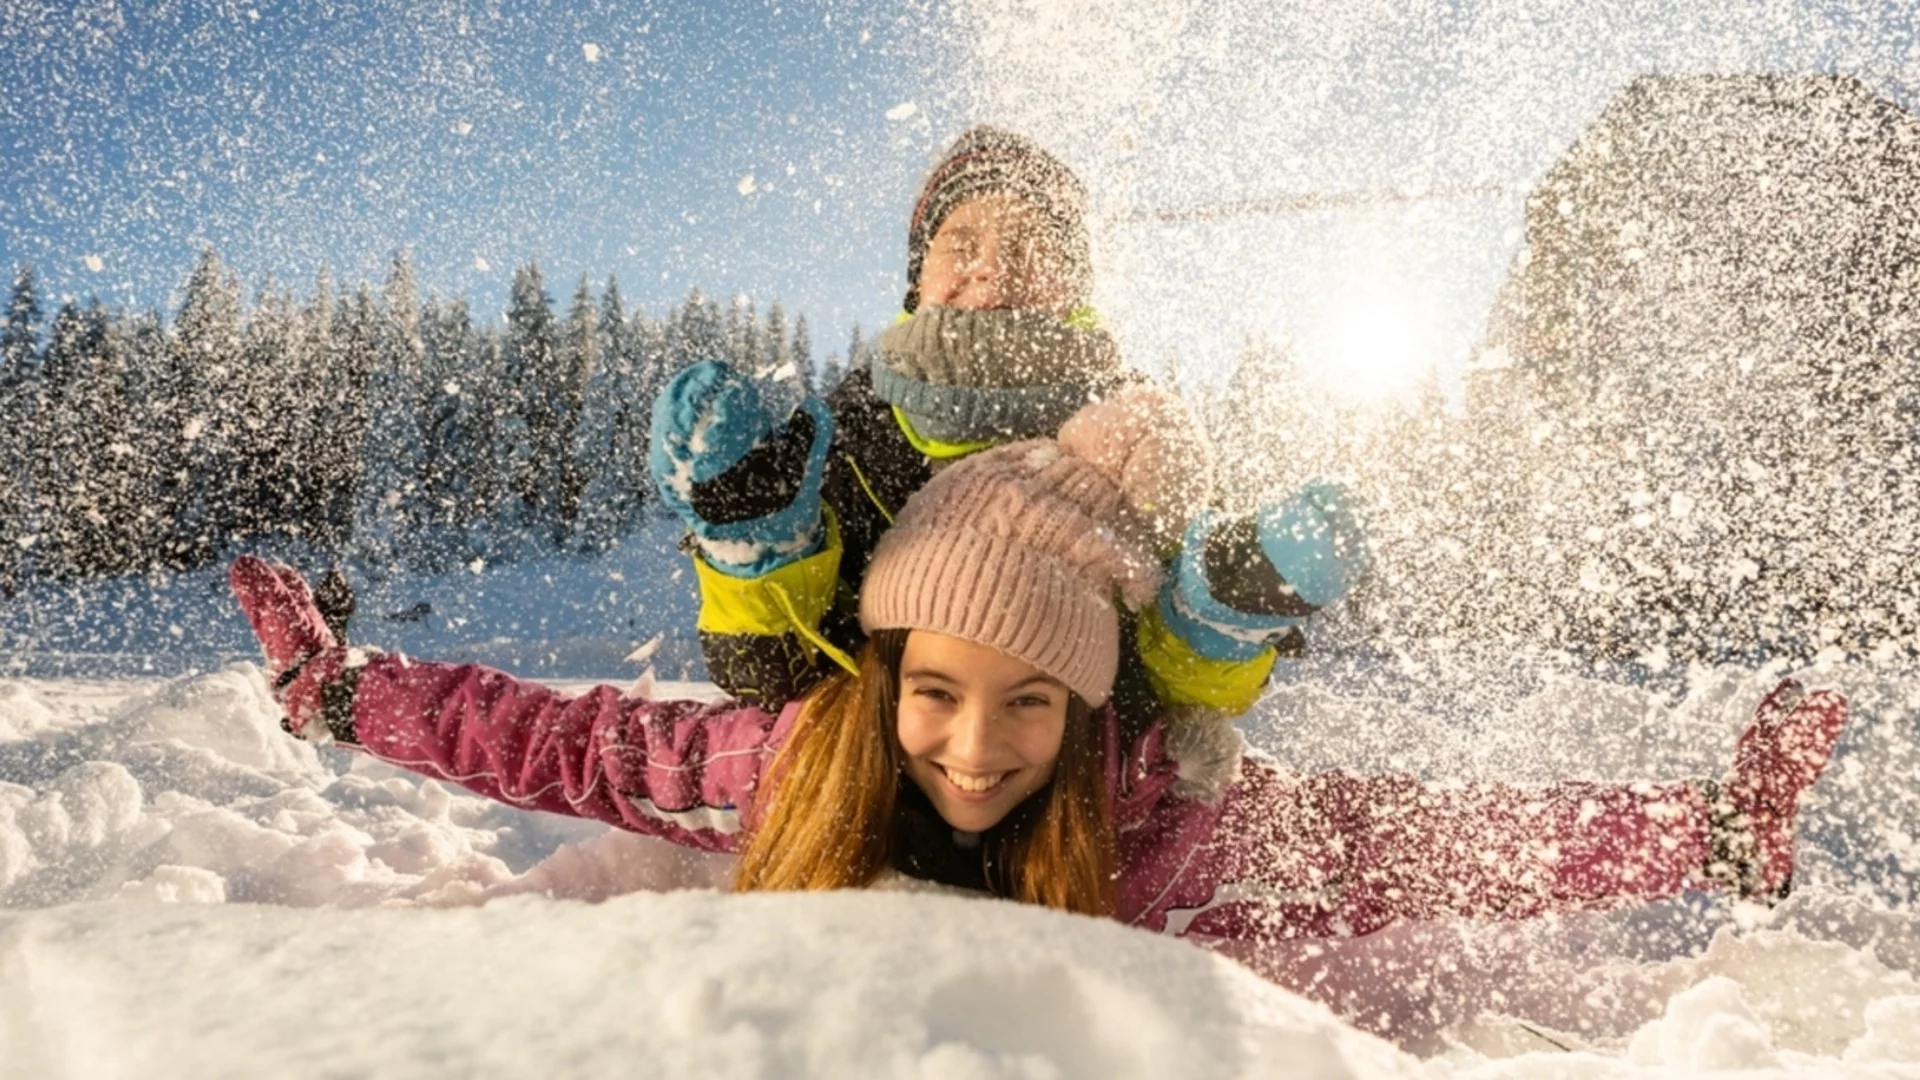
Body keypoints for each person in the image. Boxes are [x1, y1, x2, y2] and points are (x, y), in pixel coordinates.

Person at [230, 405, 1848, 966]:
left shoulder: (1181, 826)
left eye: (1031, 704)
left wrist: (1707, 830)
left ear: (1093, 713)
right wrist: (338, 694)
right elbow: (565, 743)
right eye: (935, 689)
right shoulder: (800, 765)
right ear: (886, 676)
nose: (973, 747)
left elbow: (1436, 850)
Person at [652, 125, 1368, 798]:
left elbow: (1180, 703)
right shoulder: (851, 434)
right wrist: (754, 552)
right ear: (918, 275)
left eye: (1031, 247)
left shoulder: (1141, 443)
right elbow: (769, 684)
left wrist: (1224, 613)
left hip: (1084, 813)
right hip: (867, 800)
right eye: (960, 242)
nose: (991, 270)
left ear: (1074, 288)